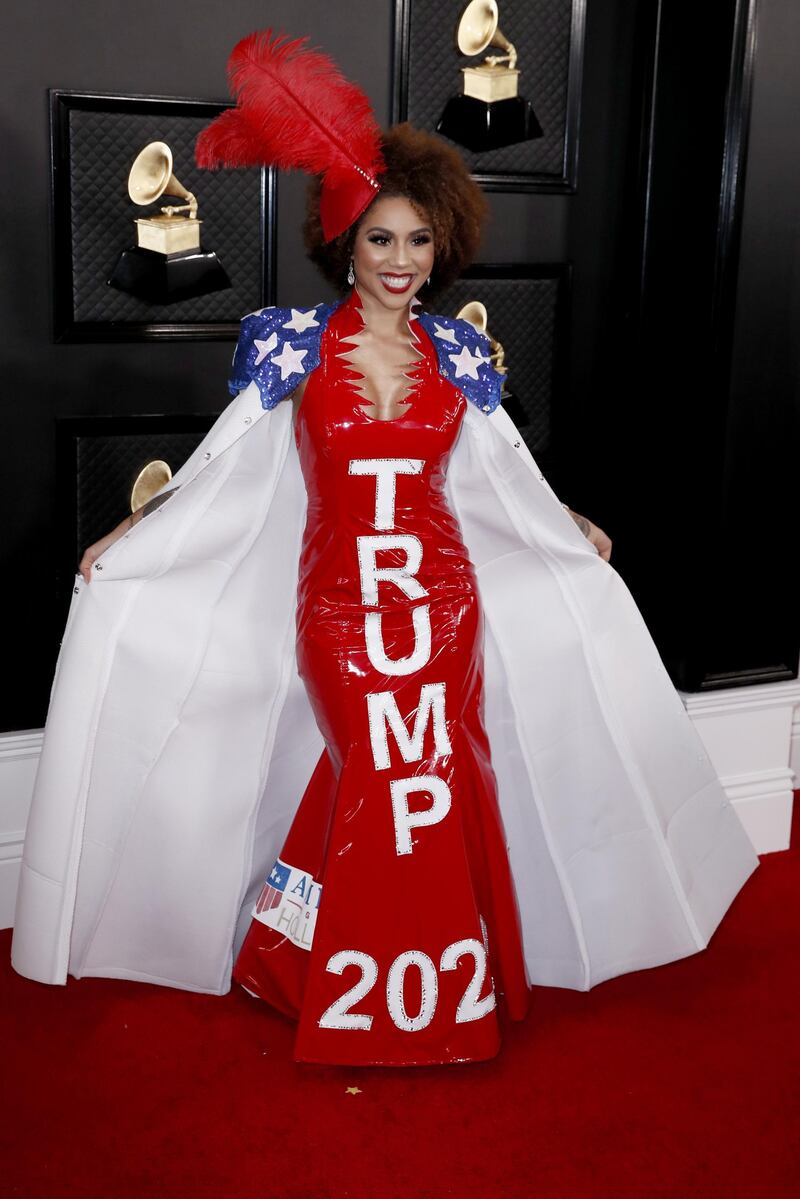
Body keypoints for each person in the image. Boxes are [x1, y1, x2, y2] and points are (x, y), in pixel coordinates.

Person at [11, 32, 759, 1066]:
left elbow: (500, 468)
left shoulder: (455, 349)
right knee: (376, 775)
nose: (401, 262)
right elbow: (226, 461)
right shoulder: (287, 342)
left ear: (438, 244)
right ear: (343, 245)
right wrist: (137, 527)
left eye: (416, 241)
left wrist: (564, 528)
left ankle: (379, 969)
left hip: (442, 605)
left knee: (432, 779)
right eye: (378, 241)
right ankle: (360, 980)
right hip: (337, 610)